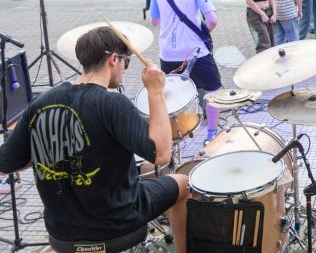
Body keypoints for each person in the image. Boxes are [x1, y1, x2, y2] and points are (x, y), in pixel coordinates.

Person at [0, 27, 189, 251]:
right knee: (183, 183)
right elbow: (162, 154)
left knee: (142, 168)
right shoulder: (113, 104)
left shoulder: (40, 103)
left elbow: (6, 164)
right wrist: (155, 91)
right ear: (113, 59)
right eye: (126, 63)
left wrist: (46, 149)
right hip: (117, 225)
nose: (124, 70)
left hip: (61, 234)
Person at [149, 0, 222, 143]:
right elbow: (213, 20)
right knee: (214, 90)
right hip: (195, 52)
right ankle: (211, 135)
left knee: (172, 94)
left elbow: (154, 21)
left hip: (167, 53)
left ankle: (173, 138)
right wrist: (202, 30)